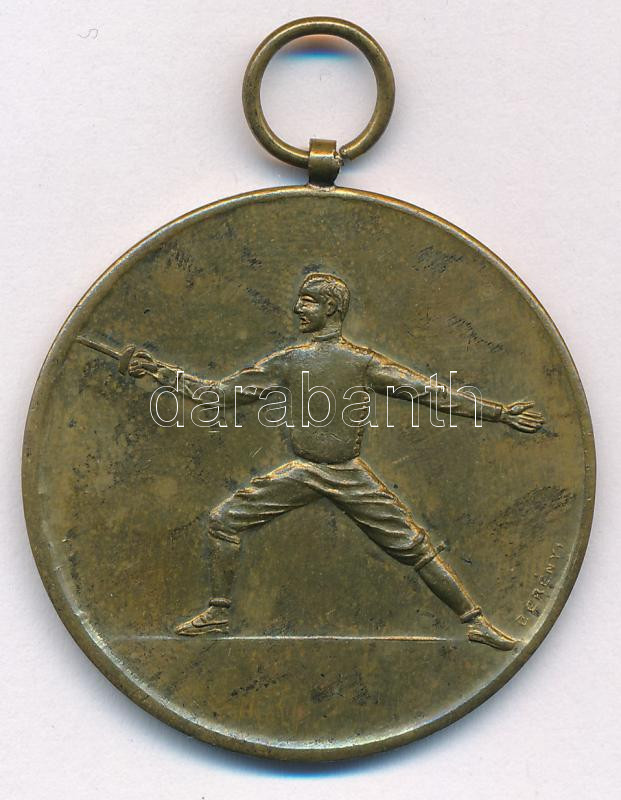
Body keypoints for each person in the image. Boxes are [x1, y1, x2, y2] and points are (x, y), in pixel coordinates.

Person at [129, 273, 544, 649]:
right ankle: (219, 614)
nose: (297, 308)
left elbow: (429, 393)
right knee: (224, 520)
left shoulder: (361, 363)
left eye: (307, 301)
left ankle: (475, 622)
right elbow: (217, 395)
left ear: (330, 308)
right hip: (305, 471)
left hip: (348, 474)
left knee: (415, 547)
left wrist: (499, 413)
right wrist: (159, 371)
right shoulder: (289, 361)